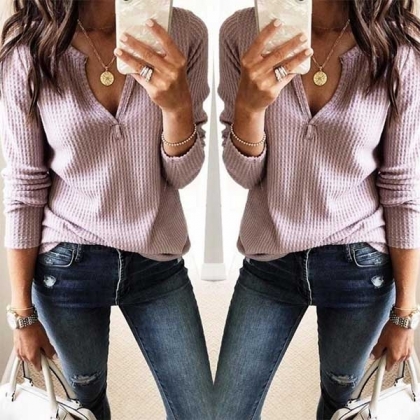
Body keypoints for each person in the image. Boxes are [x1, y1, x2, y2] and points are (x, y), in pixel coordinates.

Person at [0, 1, 213, 419]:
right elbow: (25, 186)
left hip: (157, 262)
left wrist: (176, 108)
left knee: (199, 409)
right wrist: (22, 313)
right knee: (86, 405)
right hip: (67, 266)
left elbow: (182, 174)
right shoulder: (30, 50)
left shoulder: (185, 33)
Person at [214, 1, 420, 419]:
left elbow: (402, 189)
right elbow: (244, 174)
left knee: (341, 402)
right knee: (228, 409)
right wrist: (250, 109)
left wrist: (404, 314)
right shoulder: (241, 32)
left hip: (358, 264)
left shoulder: (397, 45)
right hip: (269, 260)